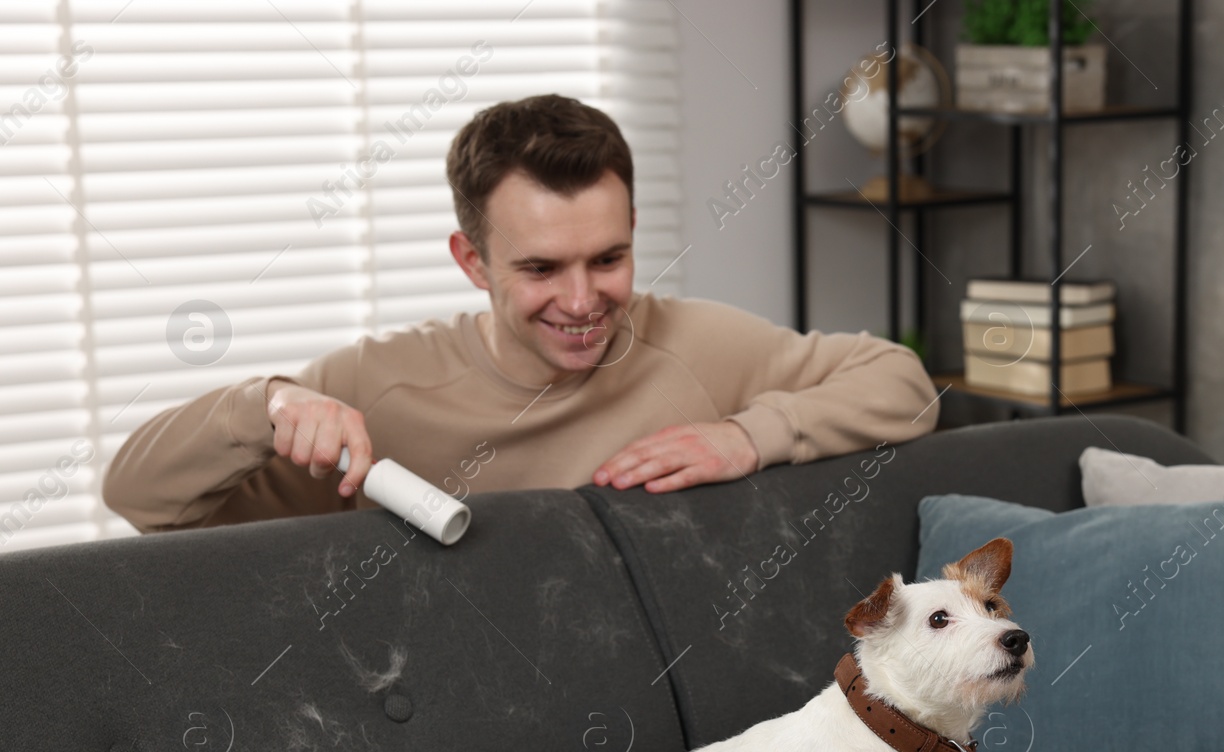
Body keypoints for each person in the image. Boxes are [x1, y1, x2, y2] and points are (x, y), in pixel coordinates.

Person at [103, 94, 938, 532]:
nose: (583, 302)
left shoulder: (695, 344)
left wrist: (747, 435)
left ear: (634, 231)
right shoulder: (377, 385)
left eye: (607, 258)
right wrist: (270, 403)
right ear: (472, 261)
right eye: (540, 268)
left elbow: (904, 383)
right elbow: (139, 496)